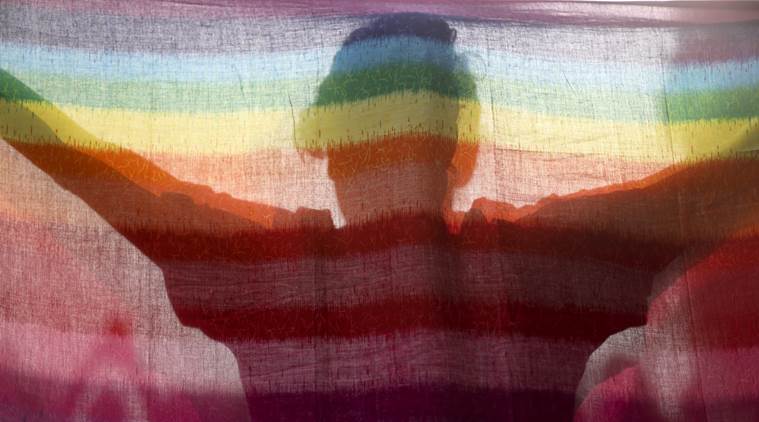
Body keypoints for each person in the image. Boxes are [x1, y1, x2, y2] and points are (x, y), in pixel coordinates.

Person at [2, 13, 758, 421]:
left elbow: (97, 171)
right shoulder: (542, 263)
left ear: (328, 143)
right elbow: (712, 189)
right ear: (457, 144)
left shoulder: (272, 272)